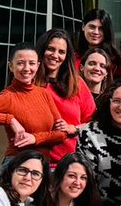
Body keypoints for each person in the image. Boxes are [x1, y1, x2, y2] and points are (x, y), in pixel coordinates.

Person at [0, 43, 66, 163]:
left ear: (38, 66)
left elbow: (61, 134)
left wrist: (35, 138)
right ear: (10, 66)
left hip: (42, 165)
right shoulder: (8, 96)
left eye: (32, 63)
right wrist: (10, 120)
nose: (27, 68)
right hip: (17, 164)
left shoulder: (44, 93)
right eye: (20, 63)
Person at [36, 28, 95, 162]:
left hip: (70, 162)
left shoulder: (76, 83)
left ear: (67, 56)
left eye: (61, 52)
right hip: (35, 161)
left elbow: (94, 122)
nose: (55, 55)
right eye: (50, 49)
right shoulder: (30, 82)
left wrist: (72, 128)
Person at [76, 9, 121, 74]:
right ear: (83, 26)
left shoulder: (116, 61)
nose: (96, 32)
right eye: (92, 27)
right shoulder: (73, 57)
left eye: (101, 29)